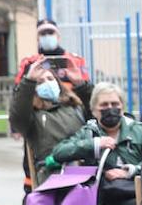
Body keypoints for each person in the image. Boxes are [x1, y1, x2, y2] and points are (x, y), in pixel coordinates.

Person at [9, 59, 87, 187]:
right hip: (52, 176)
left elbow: (96, 114)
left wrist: (81, 85)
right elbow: (18, 116)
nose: (47, 83)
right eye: (40, 81)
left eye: (50, 78)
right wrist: (29, 81)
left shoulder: (75, 106)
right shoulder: (33, 116)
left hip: (82, 173)